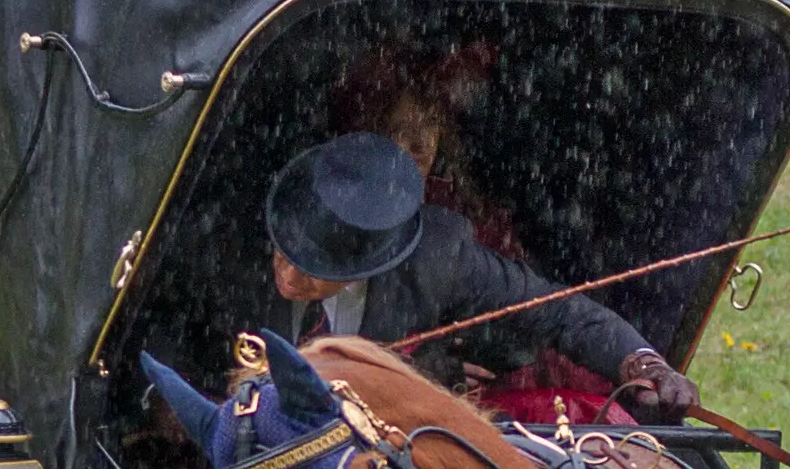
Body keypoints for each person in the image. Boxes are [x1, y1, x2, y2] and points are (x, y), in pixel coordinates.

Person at [265, 132, 698, 425]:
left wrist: (645, 364)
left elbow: (558, 312)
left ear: (370, 262)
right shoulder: (229, 256)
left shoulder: (439, 255)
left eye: (312, 269)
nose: (285, 276)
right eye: (283, 253)